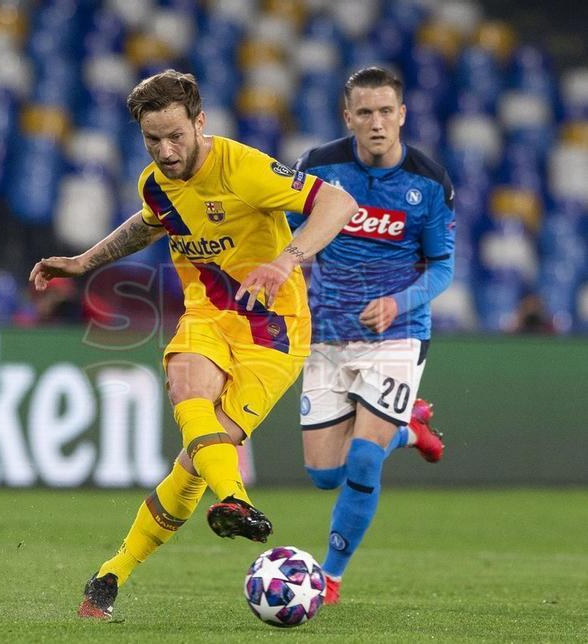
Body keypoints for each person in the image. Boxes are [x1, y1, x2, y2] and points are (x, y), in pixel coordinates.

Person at [29, 69, 357, 620]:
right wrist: (85, 262)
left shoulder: (245, 167)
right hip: (208, 313)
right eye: (152, 139)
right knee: (187, 384)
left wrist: (285, 261)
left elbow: (339, 203)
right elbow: (151, 221)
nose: (165, 149)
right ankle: (237, 500)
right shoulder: (154, 182)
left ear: (200, 123)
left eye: (176, 136)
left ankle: (113, 571)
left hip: (274, 332)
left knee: (197, 458)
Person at [286, 67, 455, 604]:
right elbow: (291, 241)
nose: (377, 123)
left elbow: (443, 268)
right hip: (327, 334)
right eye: (365, 112)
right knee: (324, 475)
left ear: (402, 114)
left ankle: (330, 578)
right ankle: (408, 429)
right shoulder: (318, 167)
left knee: (362, 460)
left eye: (386, 111)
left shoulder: (428, 181)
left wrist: (397, 302)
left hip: (398, 333)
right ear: (348, 117)